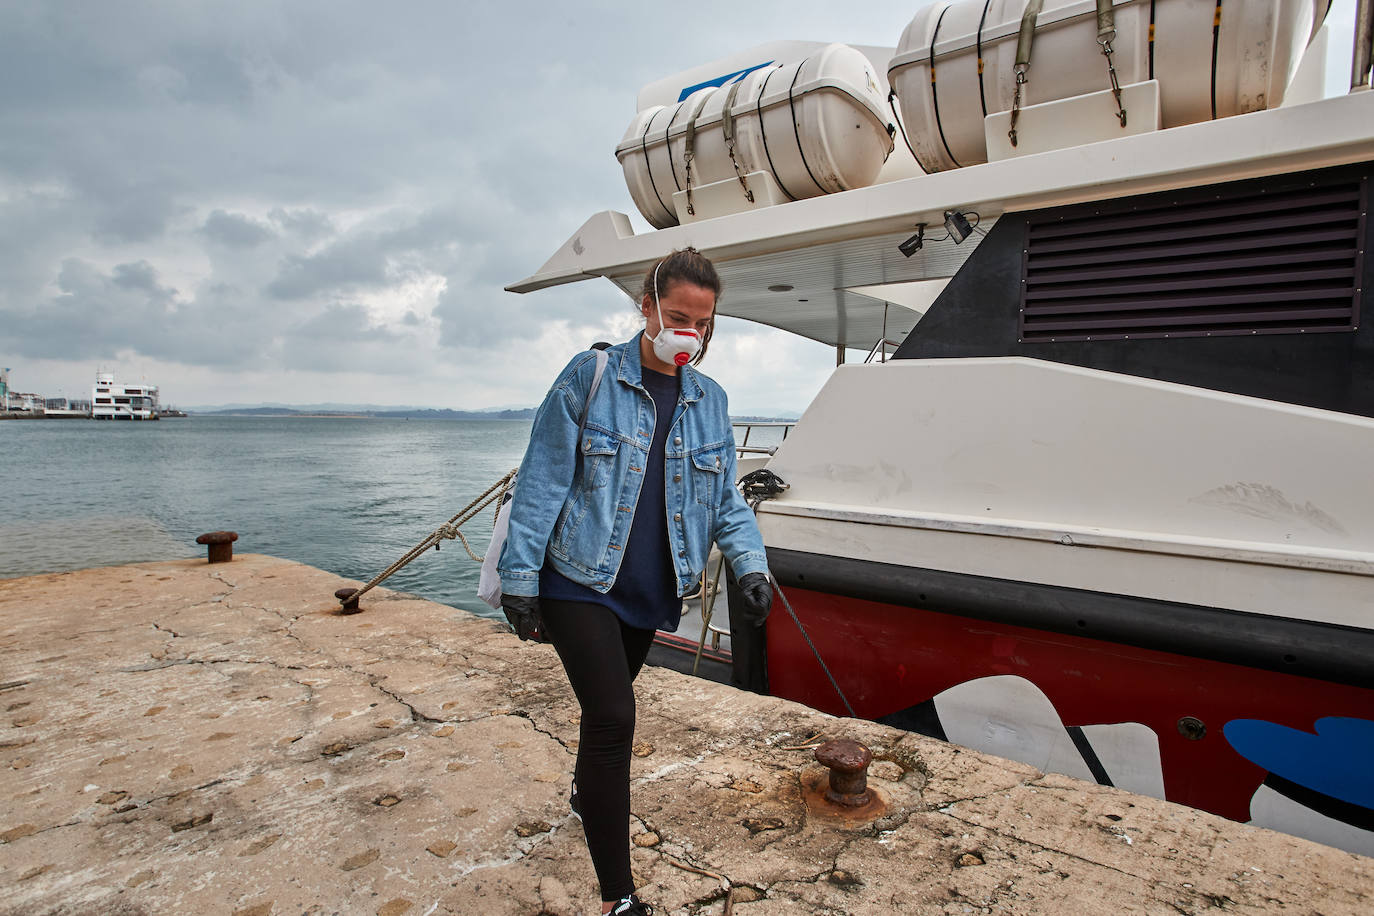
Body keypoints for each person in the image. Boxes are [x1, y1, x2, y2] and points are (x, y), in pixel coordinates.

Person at [497, 247, 773, 916]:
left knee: (603, 722)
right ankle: (618, 900)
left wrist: (751, 564)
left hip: (649, 589)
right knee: (615, 719)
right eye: (678, 316)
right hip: (578, 578)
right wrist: (520, 578)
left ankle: (582, 794)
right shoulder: (590, 377)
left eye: (703, 324)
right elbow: (542, 481)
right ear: (645, 307)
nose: (691, 334)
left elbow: (726, 501)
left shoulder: (711, 400)